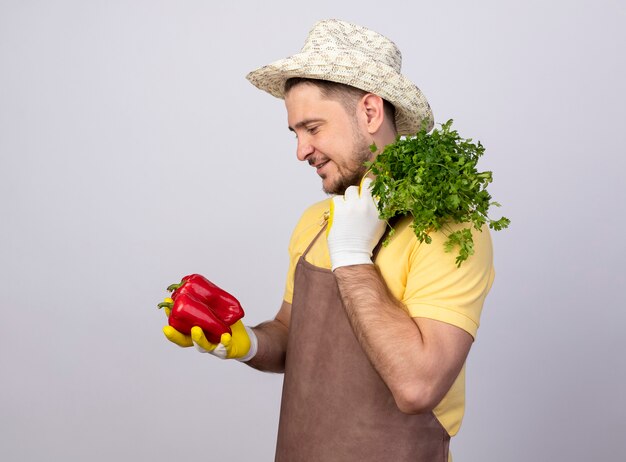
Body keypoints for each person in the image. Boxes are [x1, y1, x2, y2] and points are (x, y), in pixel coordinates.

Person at [161, 19, 495, 462]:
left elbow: (418, 387)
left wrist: (353, 256)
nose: (300, 151)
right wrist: (250, 342)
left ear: (371, 113)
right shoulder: (315, 221)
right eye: (295, 133)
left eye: (313, 128)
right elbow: (291, 334)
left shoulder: (449, 231)